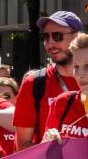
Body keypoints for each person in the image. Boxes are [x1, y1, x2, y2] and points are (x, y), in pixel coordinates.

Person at [13, 11, 84, 149]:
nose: (50, 43)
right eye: (45, 37)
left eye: (57, 36)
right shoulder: (33, 83)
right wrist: (46, 149)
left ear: (77, 37)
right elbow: (21, 145)